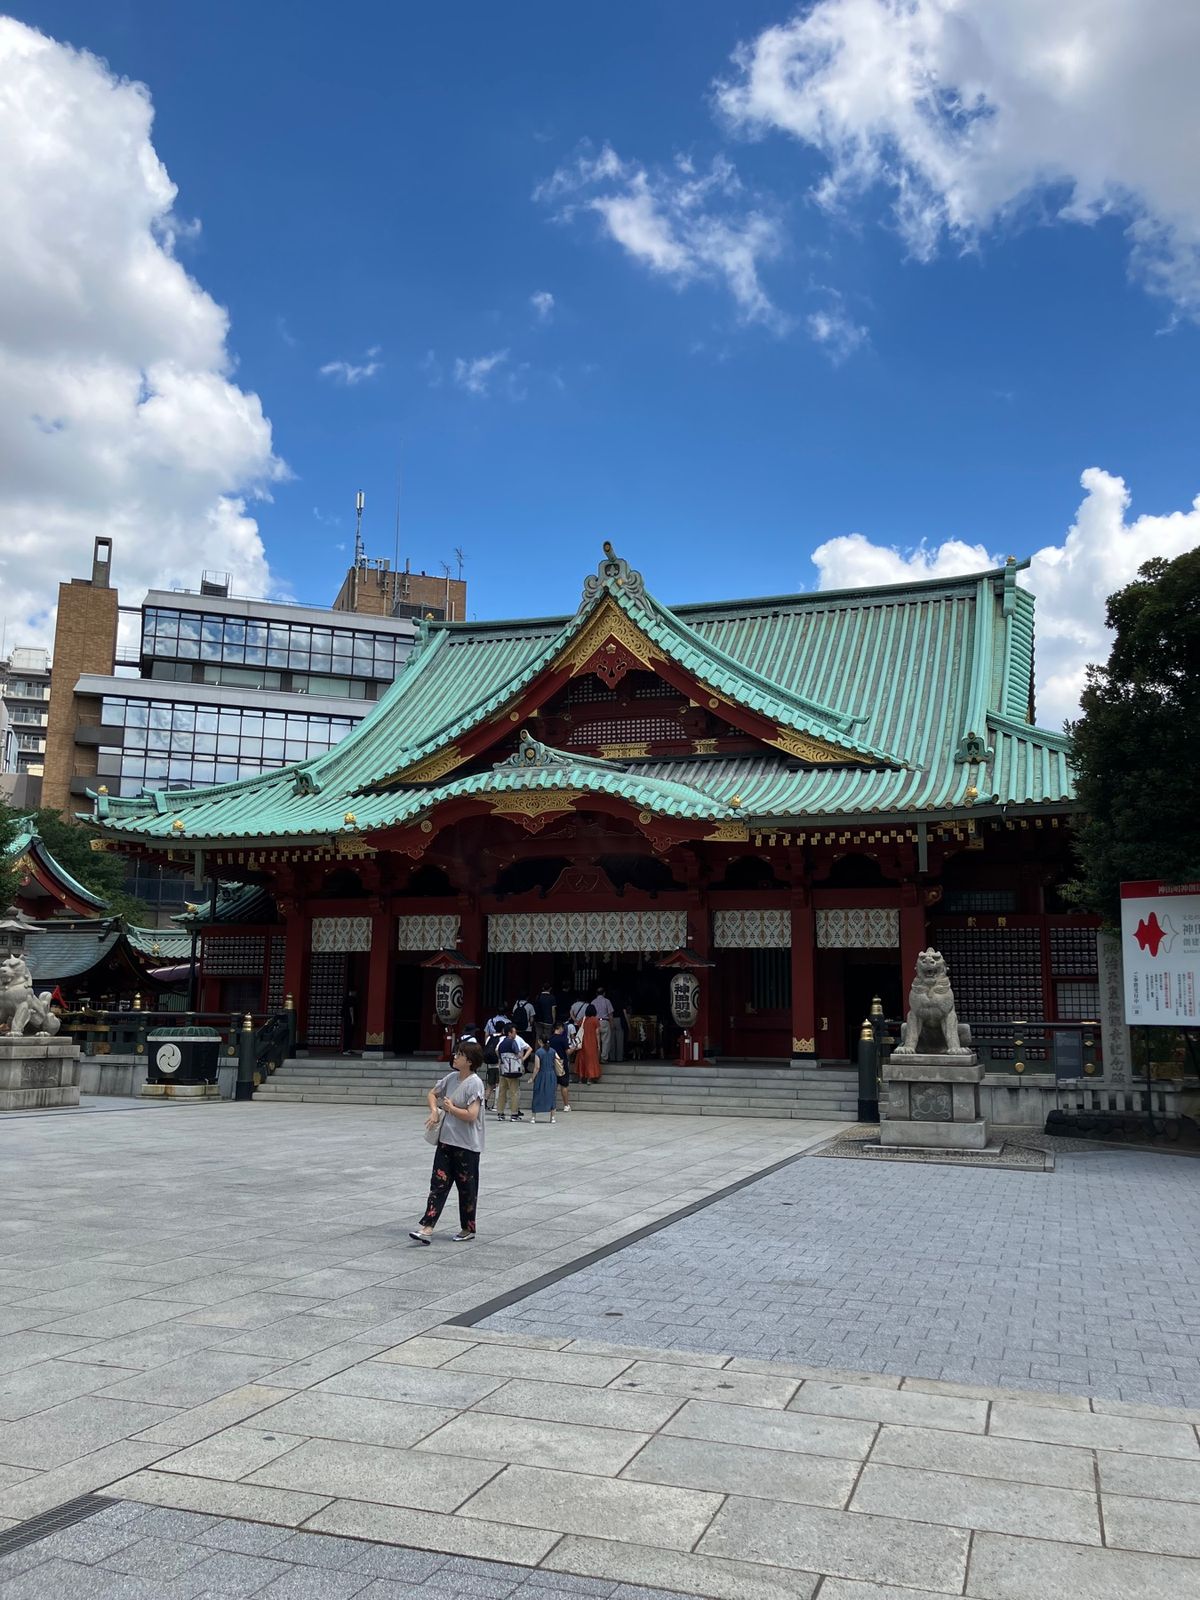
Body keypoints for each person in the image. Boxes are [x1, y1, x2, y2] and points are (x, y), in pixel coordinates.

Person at [410, 1041, 486, 1245]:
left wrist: (450, 1108)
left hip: (466, 1145)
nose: (455, 1056)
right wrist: (435, 1111)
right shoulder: (451, 1078)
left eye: (459, 1054)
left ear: (469, 1061)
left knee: (466, 1188)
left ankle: (467, 1228)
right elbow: (432, 1094)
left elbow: (472, 1115)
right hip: (446, 1141)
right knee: (438, 1185)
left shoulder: (475, 1083)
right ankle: (427, 1228)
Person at [495, 1021, 533, 1120]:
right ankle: (514, 1114)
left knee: (502, 1092)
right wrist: (522, 1058)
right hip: (513, 1071)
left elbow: (497, 1051)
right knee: (514, 1092)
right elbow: (519, 1054)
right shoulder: (513, 1042)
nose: (515, 1034)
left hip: (503, 1070)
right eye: (514, 1032)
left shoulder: (502, 1042)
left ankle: (500, 1113)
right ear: (509, 1033)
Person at [530, 1035, 560, 1123]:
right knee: (551, 1095)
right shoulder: (553, 1051)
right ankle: (553, 1117)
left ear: (539, 1041)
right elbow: (558, 1059)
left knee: (537, 1094)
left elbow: (537, 1067)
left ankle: (533, 1117)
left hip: (541, 1075)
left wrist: (532, 1078)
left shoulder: (539, 1052)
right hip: (551, 1075)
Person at [575, 1002, 602, 1082]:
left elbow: (579, 1027)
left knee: (582, 1059)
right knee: (591, 1060)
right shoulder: (595, 1020)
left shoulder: (583, 1019)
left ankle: (580, 1078)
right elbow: (597, 1033)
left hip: (582, 1043)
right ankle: (589, 1079)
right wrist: (599, 1044)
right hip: (592, 1042)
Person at [549, 1024, 573, 1112]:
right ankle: (566, 1105)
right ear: (559, 1028)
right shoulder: (563, 1039)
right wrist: (574, 1048)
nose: (563, 1030)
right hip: (562, 1063)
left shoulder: (550, 1039)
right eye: (562, 1028)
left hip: (551, 1063)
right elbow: (568, 1052)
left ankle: (551, 1105)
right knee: (564, 1085)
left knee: (553, 1085)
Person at [592, 987, 614, 1061]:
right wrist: (611, 1024)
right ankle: (603, 1058)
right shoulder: (607, 1001)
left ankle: (595, 1057)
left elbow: (591, 1014)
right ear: (604, 993)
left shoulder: (593, 1002)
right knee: (606, 1041)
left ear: (596, 993)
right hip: (604, 1021)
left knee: (595, 1041)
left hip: (595, 1022)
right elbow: (610, 1014)